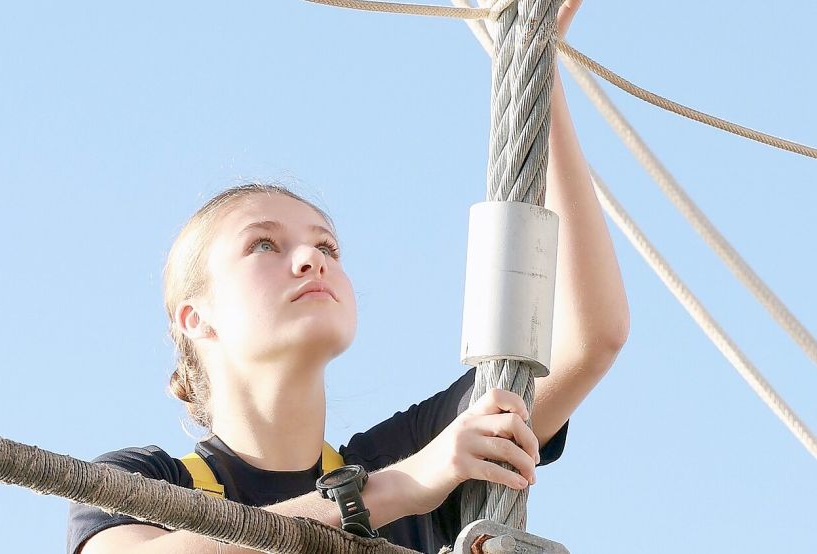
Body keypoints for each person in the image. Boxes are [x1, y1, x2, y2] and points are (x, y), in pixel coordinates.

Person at [67, 1, 628, 552]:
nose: (312, 257)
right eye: (264, 244)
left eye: (327, 245)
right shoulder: (141, 482)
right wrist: (396, 490)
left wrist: (533, 64)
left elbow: (587, 338)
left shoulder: (408, 450)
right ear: (195, 316)